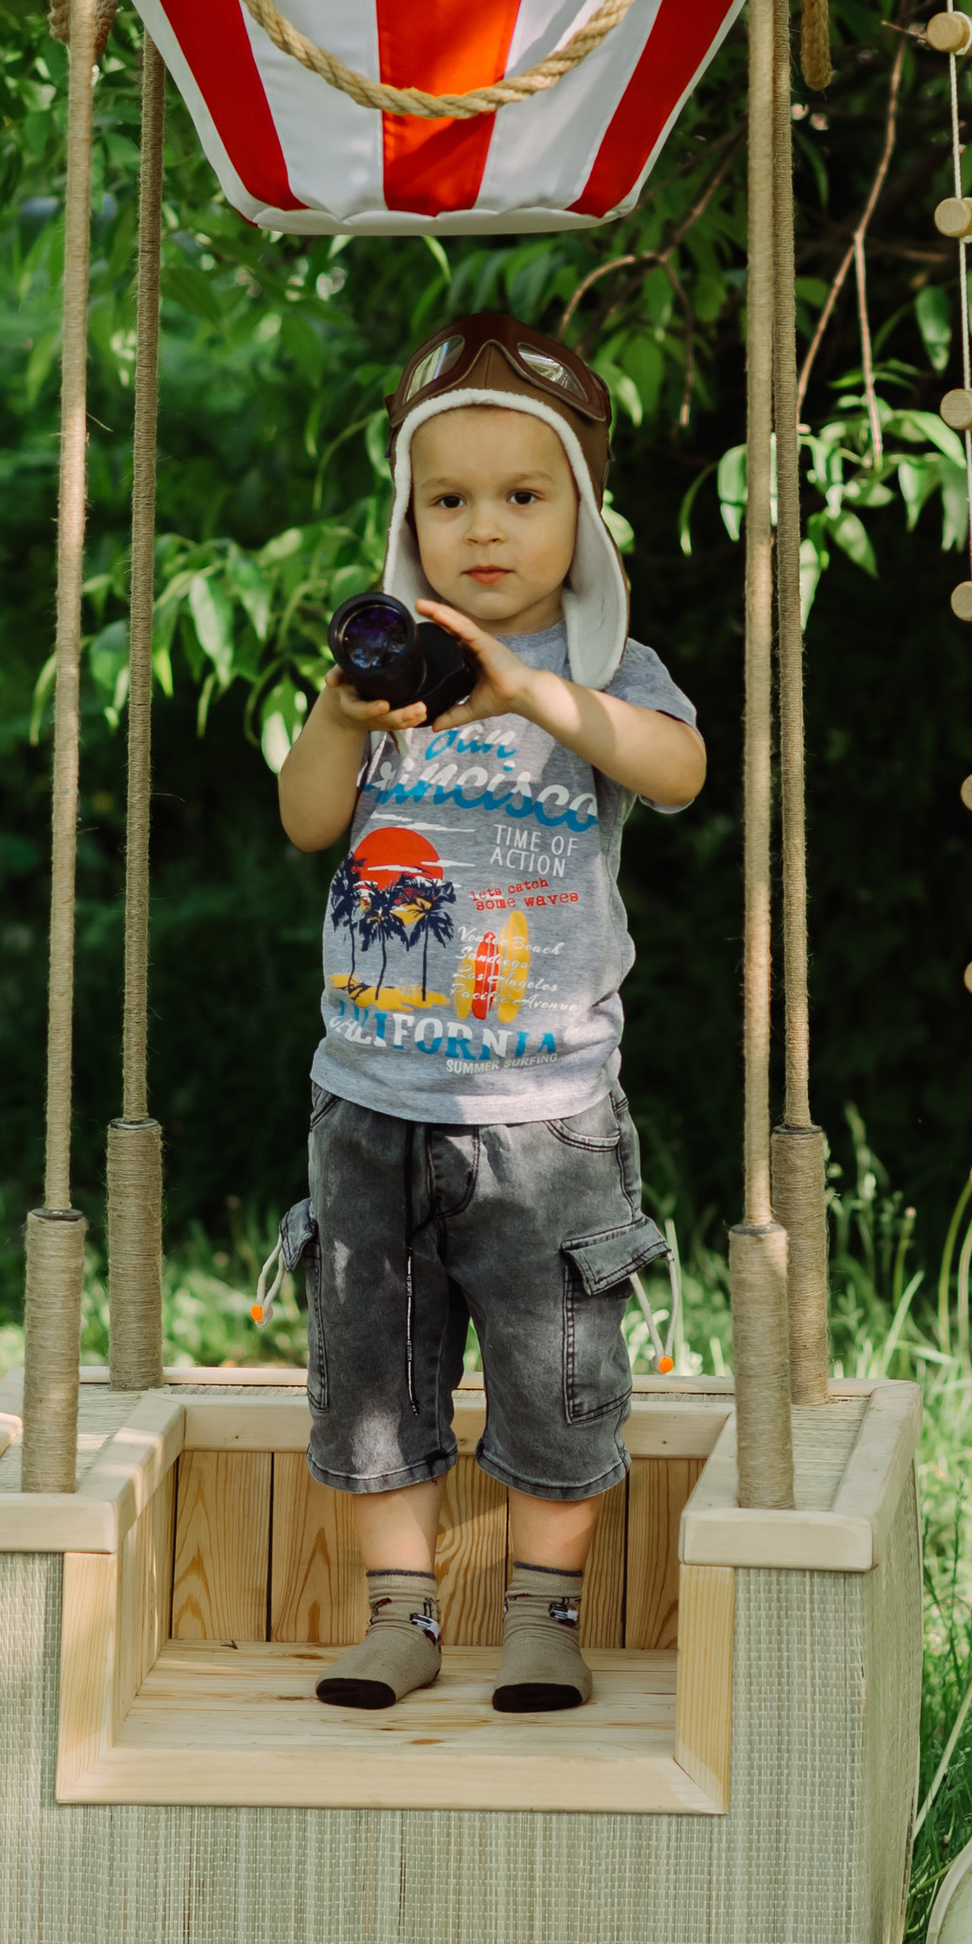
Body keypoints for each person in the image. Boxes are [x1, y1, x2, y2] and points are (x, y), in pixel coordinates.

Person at [274, 314, 706, 1715]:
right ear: (410, 522)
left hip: (544, 1112)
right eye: (448, 500)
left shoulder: (605, 668)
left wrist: (536, 691)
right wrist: (340, 717)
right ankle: (398, 1616)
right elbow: (305, 820)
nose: (484, 529)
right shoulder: (388, 679)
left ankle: (543, 1617)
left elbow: (680, 770)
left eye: (523, 496)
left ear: (582, 517)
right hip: (372, 1099)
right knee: (370, 1370)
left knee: (554, 1364)